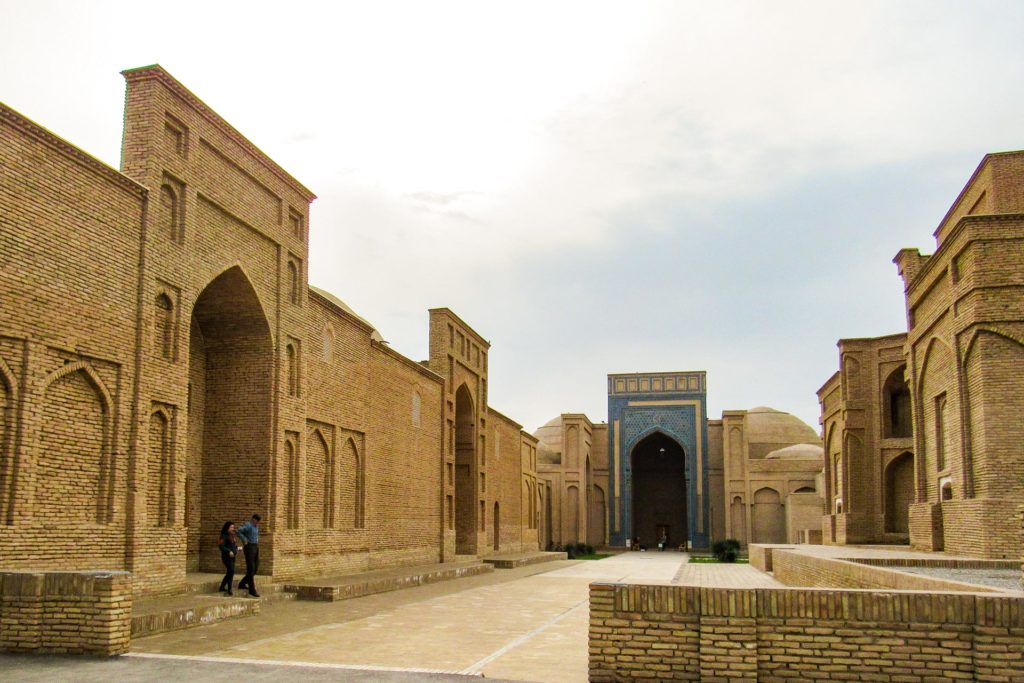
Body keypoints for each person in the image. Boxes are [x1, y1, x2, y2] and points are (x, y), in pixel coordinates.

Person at [236, 513, 262, 597]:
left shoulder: (255, 527)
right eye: (256, 520)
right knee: (251, 568)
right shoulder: (248, 525)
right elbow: (238, 531)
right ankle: (252, 589)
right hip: (249, 546)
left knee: (255, 567)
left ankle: (242, 583)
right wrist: (244, 540)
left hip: (255, 546)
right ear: (253, 519)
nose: (257, 522)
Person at [218, 521, 238, 595]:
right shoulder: (223, 536)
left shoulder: (232, 536)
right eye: (231, 527)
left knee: (230, 571)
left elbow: (233, 545)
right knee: (231, 570)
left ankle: (222, 586)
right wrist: (228, 551)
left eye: (233, 527)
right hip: (226, 557)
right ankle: (229, 588)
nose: (233, 529)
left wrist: (236, 549)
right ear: (227, 528)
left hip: (233, 557)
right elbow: (221, 546)